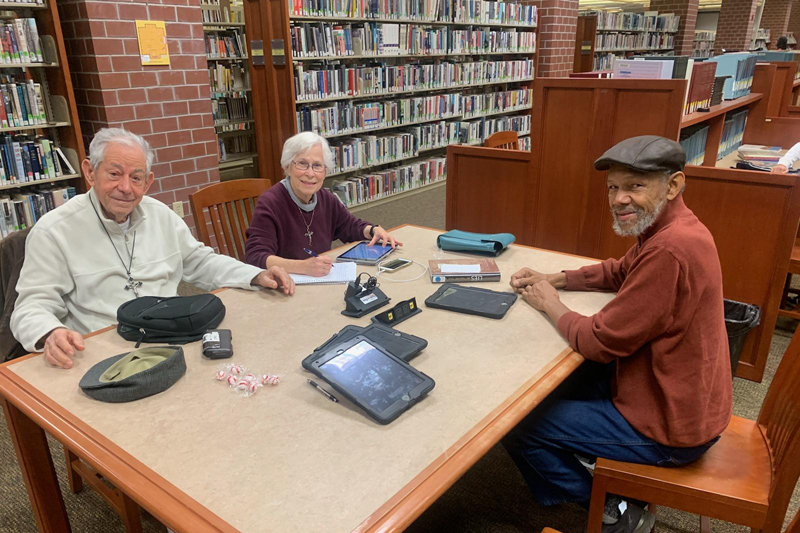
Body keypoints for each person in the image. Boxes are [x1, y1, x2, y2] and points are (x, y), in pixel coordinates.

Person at [503, 136, 732, 532]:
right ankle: (610, 480)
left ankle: (613, 511)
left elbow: (598, 341)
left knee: (516, 423)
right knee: (556, 387)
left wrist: (549, 301)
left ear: (673, 185)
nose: (619, 199)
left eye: (635, 186)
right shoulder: (674, 229)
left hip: (672, 428)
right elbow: (618, 271)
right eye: (613, 187)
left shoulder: (670, 250)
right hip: (682, 398)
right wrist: (554, 277)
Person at [11, 128, 295, 370]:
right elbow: (31, 307)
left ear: (148, 182)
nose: (125, 187)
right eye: (114, 174)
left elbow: (201, 262)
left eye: (136, 178)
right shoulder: (54, 231)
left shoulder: (161, 215)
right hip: (102, 352)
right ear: (89, 172)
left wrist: (255, 275)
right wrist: (51, 331)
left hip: (171, 337)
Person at [245, 132, 401, 276]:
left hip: (320, 279)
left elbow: (348, 226)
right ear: (287, 167)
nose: (310, 173)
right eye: (302, 164)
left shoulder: (326, 198)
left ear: (325, 171)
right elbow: (256, 256)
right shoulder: (271, 202)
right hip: (284, 285)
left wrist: (373, 230)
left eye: (317, 166)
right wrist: (303, 267)